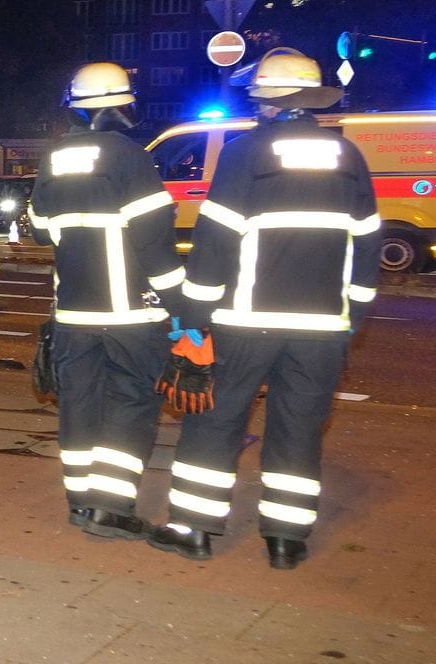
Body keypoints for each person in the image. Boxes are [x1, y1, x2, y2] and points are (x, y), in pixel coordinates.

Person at [147, 48, 379, 569]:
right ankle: (285, 540)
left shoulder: (245, 153)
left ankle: (195, 529)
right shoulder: (349, 157)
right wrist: (350, 320)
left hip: (244, 323)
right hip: (321, 329)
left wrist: (193, 316)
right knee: (298, 429)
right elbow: (365, 246)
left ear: (270, 102)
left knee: (214, 423)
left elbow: (216, 243)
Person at [28, 62, 193, 541]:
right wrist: (182, 302)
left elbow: (39, 229)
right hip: (132, 314)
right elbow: (154, 242)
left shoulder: (55, 157)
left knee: (78, 404)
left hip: (72, 312)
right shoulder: (130, 156)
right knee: (133, 402)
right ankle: (111, 506)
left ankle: (80, 502)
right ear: (121, 104)